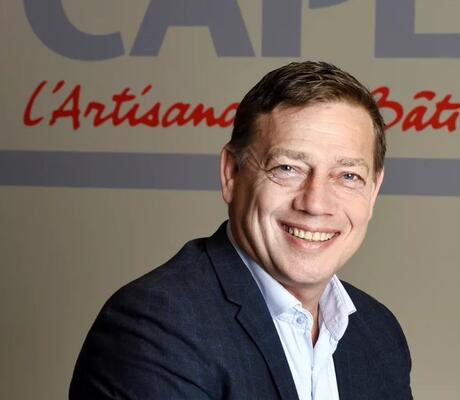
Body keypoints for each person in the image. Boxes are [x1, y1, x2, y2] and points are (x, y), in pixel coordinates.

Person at [69, 61, 412, 400]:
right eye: (288, 168)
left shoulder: (378, 333)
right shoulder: (154, 328)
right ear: (231, 174)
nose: (315, 203)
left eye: (348, 176)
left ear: (373, 190)